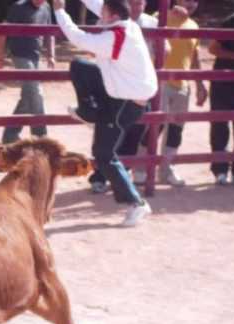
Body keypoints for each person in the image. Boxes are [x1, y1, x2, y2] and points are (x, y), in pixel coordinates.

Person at [53, 0, 158, 227]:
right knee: (80, 67)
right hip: (121, 93)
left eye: (104, 11)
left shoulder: (115, 37)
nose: (100, 13)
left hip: (125, 103)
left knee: (103, 153)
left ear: (111, 16)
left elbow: (79, 38)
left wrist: (60, 11)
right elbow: (96, 4)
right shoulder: (125, 25)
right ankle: (89, 112)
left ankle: (136, 203)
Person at [87, 0, 169, 193]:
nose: (135, 6)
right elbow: (94, 46)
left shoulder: (151, 22)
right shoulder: (108, 20)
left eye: (139, 2)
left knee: (133, 133)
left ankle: (121, 178)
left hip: (136, 85)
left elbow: (166, 49)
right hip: (115, 84)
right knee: (108, 132)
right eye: (131, 2)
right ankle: (100, 177)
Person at [133, 0, 208, 187]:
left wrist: (200, 84)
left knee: (176, 130)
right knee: (154, 127)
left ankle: (167, 170)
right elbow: (147, 27)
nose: (191, 4)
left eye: (195, 1)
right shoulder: (161, 18)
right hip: (161, 81)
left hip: (183, 84)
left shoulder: (194, 25)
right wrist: (168, 12)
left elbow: (194, 57)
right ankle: (140, 168)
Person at [0, 0, 56, 144]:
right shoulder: (18, 7)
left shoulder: (46, 7)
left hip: (36, 56)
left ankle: (10, 134)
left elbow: (49, 33)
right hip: (20, 55)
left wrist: (51, 54)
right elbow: (2, 31)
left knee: (28, 96)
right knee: (36, 93)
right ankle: (41, 139)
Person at [208, 9, 234, 187]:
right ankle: (220, 171)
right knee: (220, 126)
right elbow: (212, 48)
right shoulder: (233, 21)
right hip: (223, 83)